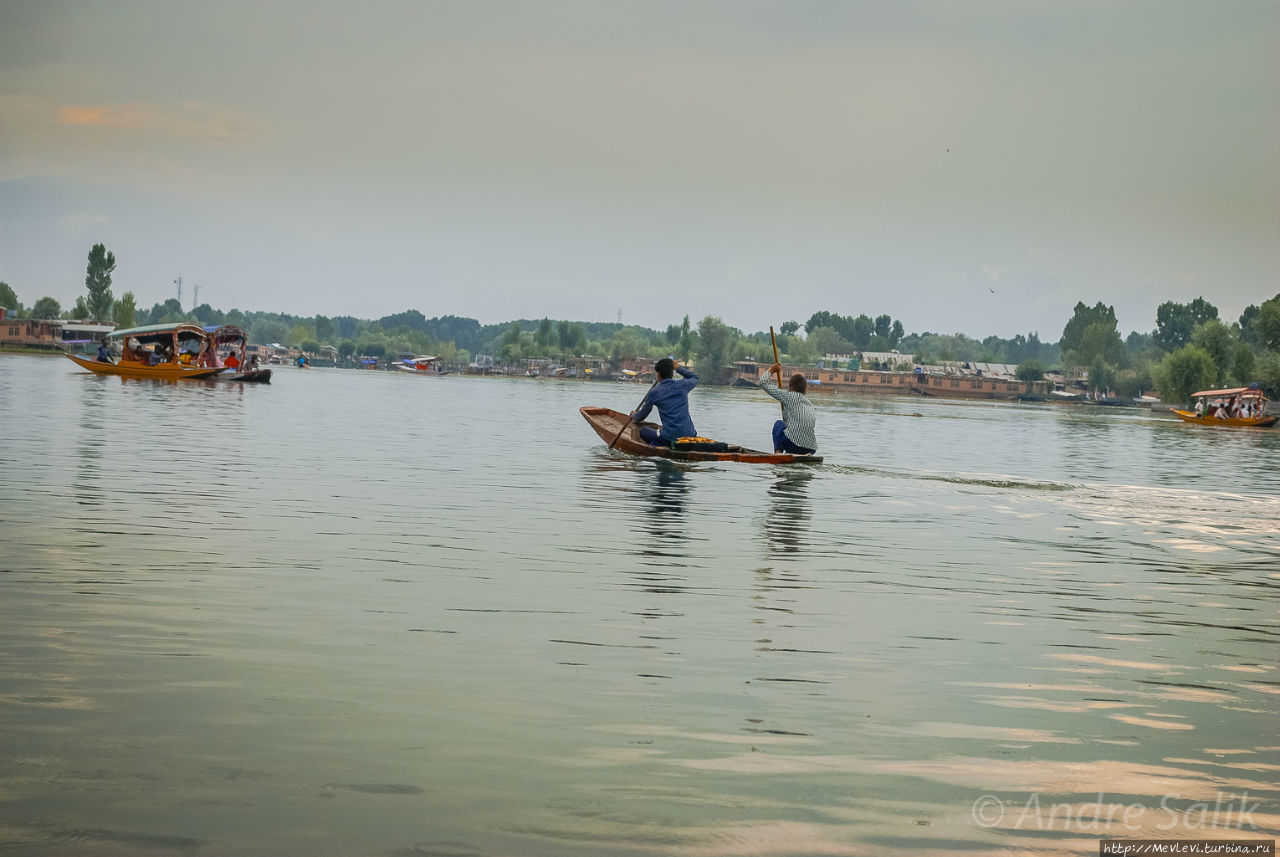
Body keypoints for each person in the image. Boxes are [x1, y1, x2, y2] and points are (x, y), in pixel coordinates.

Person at [631, 357, 699, 446]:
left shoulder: (654, 392)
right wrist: (677, 367)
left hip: (669, 438)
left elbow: (641, 416)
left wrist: (634, 415)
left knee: (642, 431)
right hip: (690, 436)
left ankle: (657, 446)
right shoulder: (683, 385)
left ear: (658, 374)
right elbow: (695, 377)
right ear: (672, 373)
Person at [759, 362, 817, 455]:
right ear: (805, 391)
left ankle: (778, 455)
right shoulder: (810, 404)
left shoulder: (789, 396)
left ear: (791, 388)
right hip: (811, 448)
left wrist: (771, 370)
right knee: (787, 429)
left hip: (794, 445)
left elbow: (763, 383)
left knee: (779, 424)